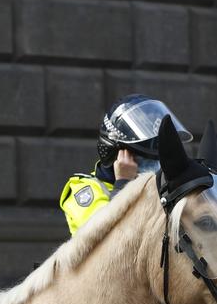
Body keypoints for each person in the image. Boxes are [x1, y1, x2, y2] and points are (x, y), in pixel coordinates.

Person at [59, 94, 192, 235]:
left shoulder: (153, 189)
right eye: (146, 159)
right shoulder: (84, 189)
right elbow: (106, 237)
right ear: (118, 153)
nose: (155, 166)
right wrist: (123, 183)